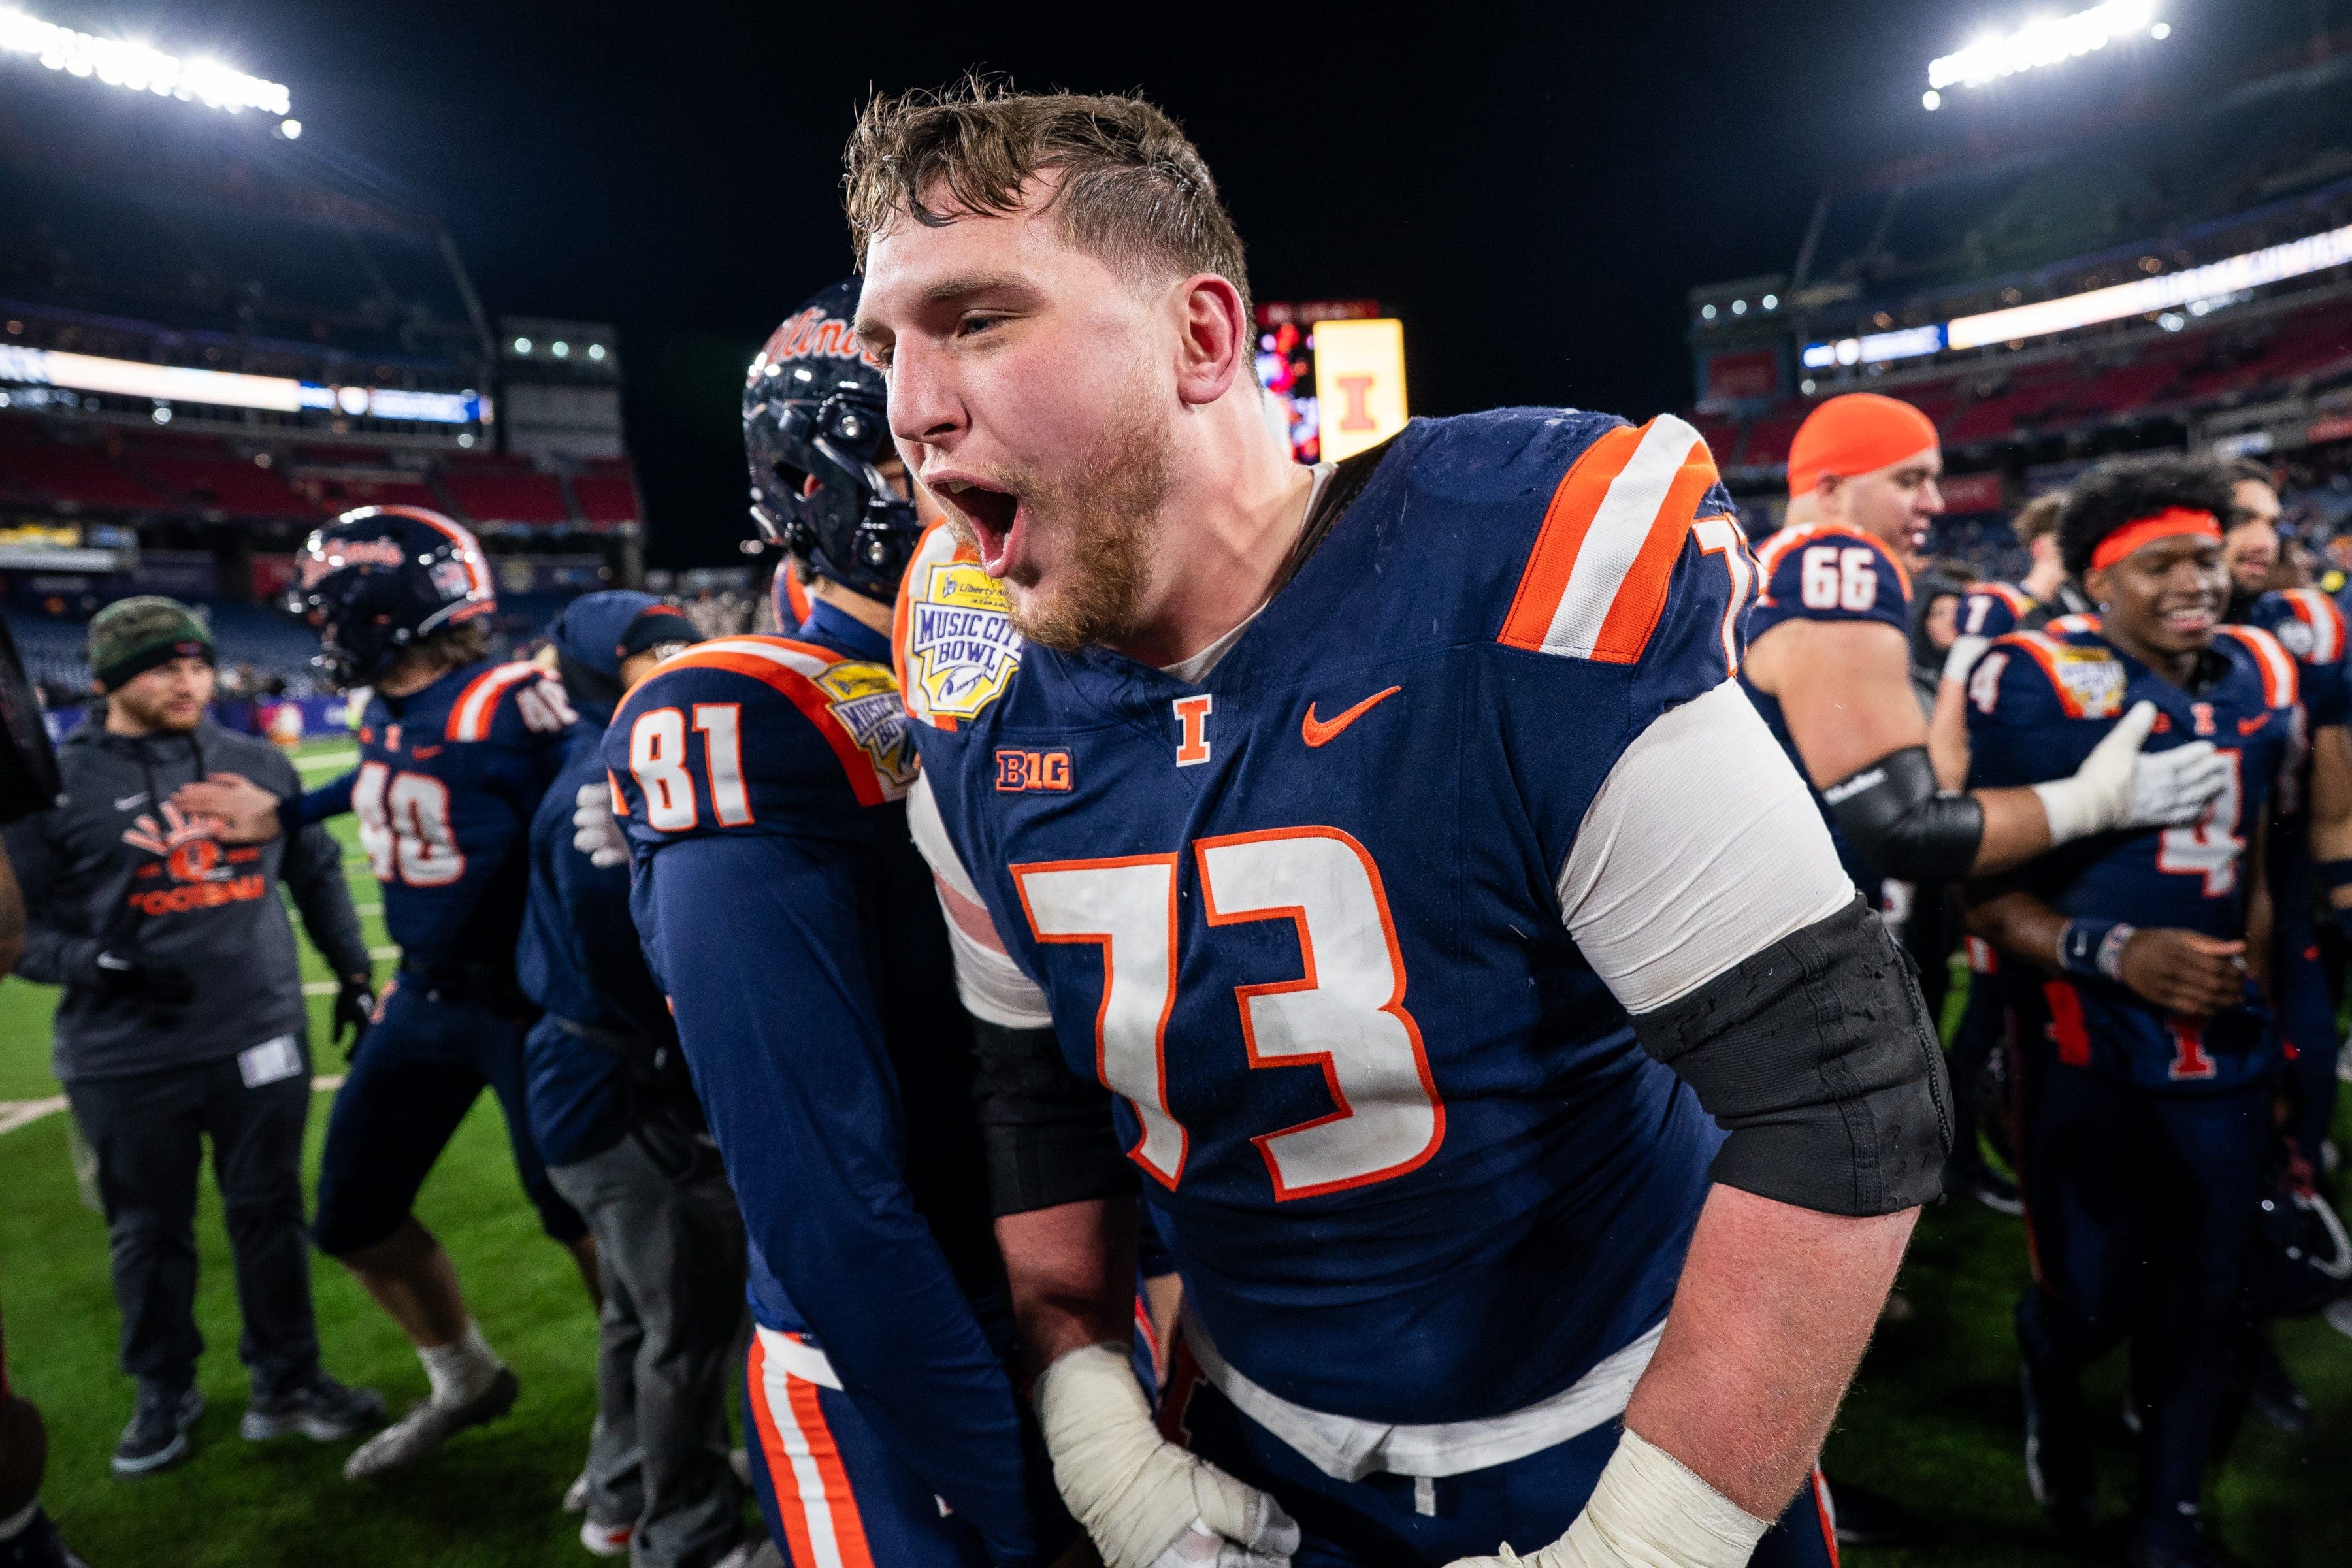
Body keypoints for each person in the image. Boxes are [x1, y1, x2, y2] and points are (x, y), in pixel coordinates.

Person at [852, 84, 1948, 1568]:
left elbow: (1847, 1097)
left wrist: (1654, 1540)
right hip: (1252, 1454)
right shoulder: (977, 699)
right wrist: (1097, 1427)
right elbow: (1038, 1102)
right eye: (886, 347)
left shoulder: (1512, 567)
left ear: (1202, 338)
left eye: (976, 320)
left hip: (1619, 1421)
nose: (911, 409)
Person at [605, 282, 1069, 1568]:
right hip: (907, 1351)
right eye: (917, 435)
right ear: (827, 476)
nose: (980, 458)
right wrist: (1019, 1492)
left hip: (1089, 1282)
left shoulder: (1050, 664)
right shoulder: (759, 715)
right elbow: (823, 1195)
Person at [176, 508, 597, 1480]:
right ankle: (464, 1376)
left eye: (331, 615)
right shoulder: (391, 710)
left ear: (383, 615)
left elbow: (589, 821)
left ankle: (664, 1408)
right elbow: (395, 767)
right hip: (426, 996)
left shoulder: (512, 701)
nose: (320, 634)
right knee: (353, 1213)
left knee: (584, 1216)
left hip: (533, 1002)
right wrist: (288, 811)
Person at [1962, 458, 2296, 1568]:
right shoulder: (2040, 679)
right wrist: (2117, 950)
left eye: (2207, 556)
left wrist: (2254, 992)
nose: (2198, 581)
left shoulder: (2261, 669)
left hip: (2223, 1046)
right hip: (2081, 1041)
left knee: (2209, 1291)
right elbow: (1987, 897)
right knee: (2092, 1297)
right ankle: (2049, 1372)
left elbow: (2251, 860)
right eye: (2162, 564)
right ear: (2099, 585)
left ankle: (2170, 1511)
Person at [3, 597, 382, 1478]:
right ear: (107, 681)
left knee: (270, 1214)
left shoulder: (257, 761)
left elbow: (319, 875)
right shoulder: (57, 788)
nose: (189, 681)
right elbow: (15, 935)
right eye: (163, 667)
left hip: (259, 1032)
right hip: (125, 1056)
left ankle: (289, 1382)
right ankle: (163, 1389)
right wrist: (100, 966)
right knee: (148, 1232)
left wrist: (355, 973)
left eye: (199, 664)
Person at [519, 591, 755, 1568]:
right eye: (644, 654)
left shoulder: (610, 759)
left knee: (636, 1317)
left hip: (591, 1089)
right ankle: (686, 1536)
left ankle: (621, 1495)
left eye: (680, 648)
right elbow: (629, 958)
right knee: (689, 1330)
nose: (670, 667)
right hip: (623, 1099)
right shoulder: (601, 782)